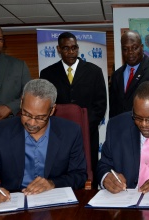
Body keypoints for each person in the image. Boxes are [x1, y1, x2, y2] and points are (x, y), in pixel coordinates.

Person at [0, 79, 87, 204]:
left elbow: (79, 175)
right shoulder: (0, 131)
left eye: (40, 118)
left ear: (52, 110)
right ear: (21, 102)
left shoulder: (70, 131)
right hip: (12, 200)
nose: (31, 123)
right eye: (26, 114)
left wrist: (52, 183)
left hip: (53, 200)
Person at [40, 32, 107, 187]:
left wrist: (83, 126)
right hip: (58, 135)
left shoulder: (94, 71)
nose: (71, 52)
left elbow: (100, 104)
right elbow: (46, 104)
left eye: (74, 48)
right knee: (61, 171)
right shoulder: (47, 74)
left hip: (88, 133)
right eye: (66, 48)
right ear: (58, 49)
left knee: (89, 171)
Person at [109, 30, 149, 118]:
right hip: (122, 128)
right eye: (125, 49)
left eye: (134, 47)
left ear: (142, 47)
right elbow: (114, 108)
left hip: (148, 127)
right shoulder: (116, 75)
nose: (130, 52)